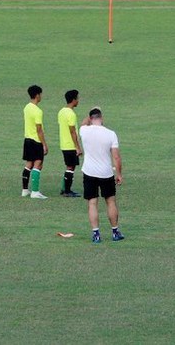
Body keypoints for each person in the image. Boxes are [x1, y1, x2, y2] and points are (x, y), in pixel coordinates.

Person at [80, 108, 124, 243]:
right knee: (110, 201)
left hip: (89, 172)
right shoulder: (111, 134)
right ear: (102, 118)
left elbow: (83, 123)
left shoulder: (84, 131)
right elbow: (116, 157)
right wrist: (119, 174)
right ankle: (115, 232)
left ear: (90, 118)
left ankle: (96, 234)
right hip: (106, 173)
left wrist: (89, 114)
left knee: (92, 203)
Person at [21, 84, 48, 199]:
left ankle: (25, 190)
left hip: (27, 140)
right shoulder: (38, 111)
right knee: (38, 164)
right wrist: (44, 144)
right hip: (36, 141)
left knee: (29, 165)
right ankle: (35, 192)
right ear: (37, 95)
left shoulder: (26, 107)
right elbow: (39, 129)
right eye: (40, 94)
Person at [58, 89, 82, 197]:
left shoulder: (61, 111)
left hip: (64, 143)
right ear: (73, 100)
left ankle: (64, 188)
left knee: (69, 166)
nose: (78, 100)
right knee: (71, 167)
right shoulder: (71, 114)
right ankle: (67, 191)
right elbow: (72, 131)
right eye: (77, 98)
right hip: (70, 145)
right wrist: (77, 147)